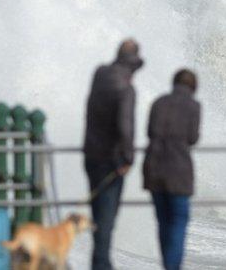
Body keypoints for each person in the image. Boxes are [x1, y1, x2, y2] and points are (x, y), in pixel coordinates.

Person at [83, 39, 143, 270]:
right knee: (106, 219)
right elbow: (125, 125)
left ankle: (101, 263)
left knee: (98, 215)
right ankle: (101, 265)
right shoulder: (127, 89)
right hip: (112, 160)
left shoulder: (100, 74)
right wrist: (128, 157)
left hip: (91, 155)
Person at [143, 69, 201, 270]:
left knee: (163, 221)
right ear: (193, 87)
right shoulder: (193, 106)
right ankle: (172, 267)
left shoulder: (159, 102)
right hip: (179, 173)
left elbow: (149, 132)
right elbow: (193, 138)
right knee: (178, 221)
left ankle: (167, 265)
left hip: (154, 168)